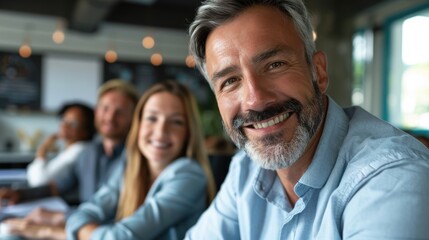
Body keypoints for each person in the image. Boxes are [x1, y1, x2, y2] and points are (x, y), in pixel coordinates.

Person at [185, 0, 429, 239]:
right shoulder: (245, 172)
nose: (255, 100)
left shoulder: (392, 178)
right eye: (229, 81)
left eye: (274, 65)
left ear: (319, 72)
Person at [65, 80, 216, 240]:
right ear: (138, 124)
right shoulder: (129, 166)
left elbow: (120, 237)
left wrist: (83, 232)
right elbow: (82, 214)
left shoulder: (190, 174)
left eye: (176, 122)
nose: (160, 132)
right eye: (152, 118)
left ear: (188, 132)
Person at [0, 79, 139, 239]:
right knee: (9, 232)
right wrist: (19, 194)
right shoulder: (88, 152)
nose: (110, 117)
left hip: (104, 232)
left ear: (134, 117)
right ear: (96, 111)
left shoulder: (137, 158)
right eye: (105, 108)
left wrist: (60, 217)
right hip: (78, 226)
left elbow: (120, 211)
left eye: (120, 112)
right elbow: (56, 187)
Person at [27, 102, 96, 187]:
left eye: (73, 123)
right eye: (64, 119)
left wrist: (42, 152)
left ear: (86, 131)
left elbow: (38, 182)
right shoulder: (72, 149)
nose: (64, 125)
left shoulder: (79, 151)